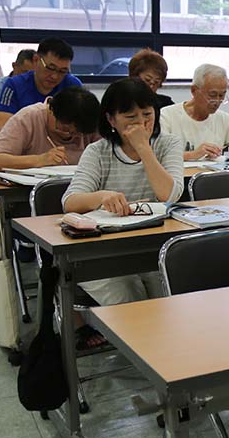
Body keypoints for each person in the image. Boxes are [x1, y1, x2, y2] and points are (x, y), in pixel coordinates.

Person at [63, 79, 184, 320]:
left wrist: (144, 148)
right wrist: (101, 196)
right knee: (131, 301)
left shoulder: (169, 143)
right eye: (130, 117)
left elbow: (169, 195)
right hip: (102, 252)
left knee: (170, 301)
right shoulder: (98, 151)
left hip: (152, 247)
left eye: (147, 114)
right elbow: (70, 201)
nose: (140, 123)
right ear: (111, 120)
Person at [158, 64, 229, 161]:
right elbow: (158, 156)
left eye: (222, 95)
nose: (217, 101)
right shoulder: (167, 116)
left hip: (213, 180)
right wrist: (193, 155)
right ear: (194, 91)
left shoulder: (223, 119)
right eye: (212, 95)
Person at [0, 87, 100, 172]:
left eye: (78, 133)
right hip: (25, 198)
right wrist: (40, 160)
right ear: (51, 110)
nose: (71, 136)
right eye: (65, 127)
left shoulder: (90, 124)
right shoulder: (28, 117)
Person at [0, 38, 83, 133]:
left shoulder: (73, 86)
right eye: (50, 68)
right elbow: (0, 130)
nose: (55, 76)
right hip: (25, 144)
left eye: (62, 71)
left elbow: (83, 126)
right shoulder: (14, 85)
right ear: (36, 60)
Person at [127, 49, 174, 113]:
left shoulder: (166, 105)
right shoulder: (120, 101)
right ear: (135, 76)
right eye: (147, 80)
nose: (151, 86)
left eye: (156, 82)